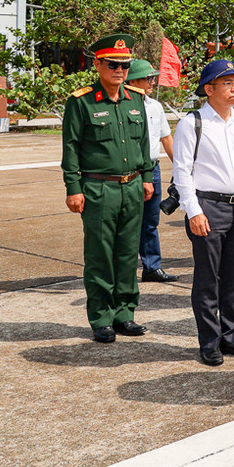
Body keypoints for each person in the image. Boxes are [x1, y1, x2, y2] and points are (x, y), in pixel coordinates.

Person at [173, 58, 234, 366]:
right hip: (208, 206)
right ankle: (209, 341)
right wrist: (193, 210)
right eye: (228, 83)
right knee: (208, 278)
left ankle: (231, 337)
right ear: (209, 89)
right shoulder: (193, 123)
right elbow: (182, 171)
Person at [62, 34, 155, 342]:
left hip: (131, 188)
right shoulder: (81, 101)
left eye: (125, 66)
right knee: (101, 254)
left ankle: (125, 314)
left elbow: (143, 142)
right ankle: (101, 317)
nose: (120, 71)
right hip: (98, 189)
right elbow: (71, 147)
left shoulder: (136, 99)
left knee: (129, 254)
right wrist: (73, 187)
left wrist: (146, 177)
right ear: (98, 64)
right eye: (113, 65)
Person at [125, 59, 177, 284]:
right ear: (132, 80)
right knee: (127, 222)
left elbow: (166, 137)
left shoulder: (155, 106)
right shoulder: (121, 105)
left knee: (150, 221)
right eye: (148, 78)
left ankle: (151, 267)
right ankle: (124, 270)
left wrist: (181, 166)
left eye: (152, 78)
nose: (152, 82)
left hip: (152, 169)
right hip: (129, 172)